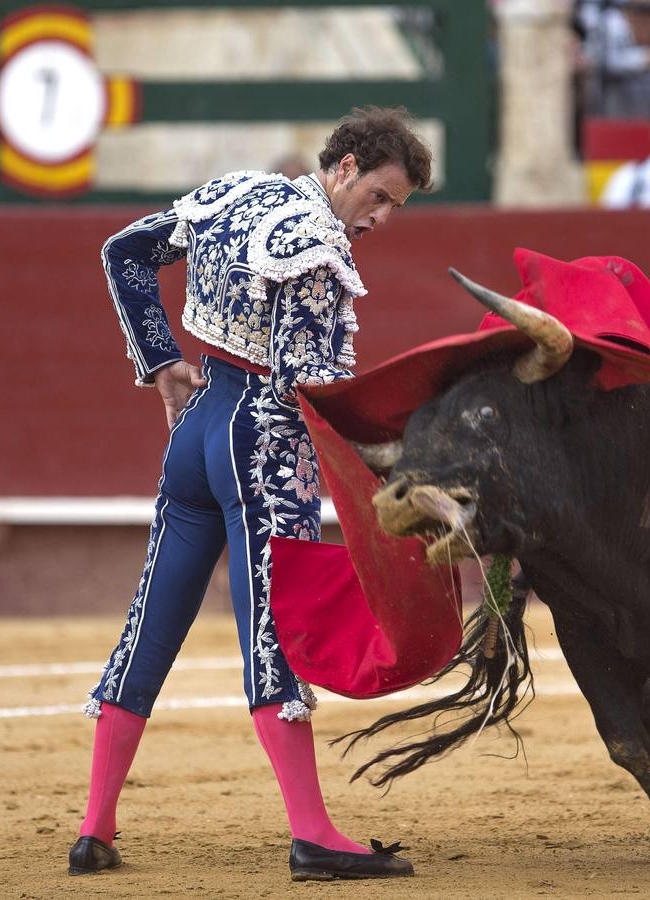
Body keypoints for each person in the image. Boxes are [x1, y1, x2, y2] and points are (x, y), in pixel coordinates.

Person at [69, 107, 432, 882]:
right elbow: (312, 383)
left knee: (150, 623)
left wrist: (163, 361)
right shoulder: (317, 245)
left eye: (395, 206)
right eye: (379, 195)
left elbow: (124, 253)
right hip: (263, 446)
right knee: (275, 629)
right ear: (343, 167)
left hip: (196, 432)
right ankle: (311, 834)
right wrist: (389, 468)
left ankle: (94, 826)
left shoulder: (233, 192)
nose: (382, 216)